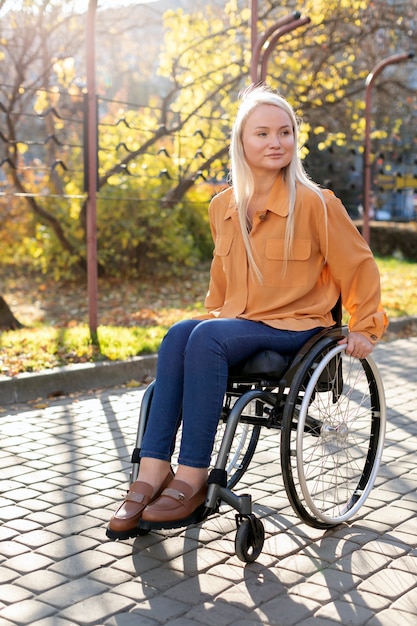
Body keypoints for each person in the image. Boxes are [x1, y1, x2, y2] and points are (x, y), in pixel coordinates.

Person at [107, 85, 388, 539]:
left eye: (285, 132)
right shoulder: (223, 206)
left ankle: (193, 476)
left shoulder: (316, 202)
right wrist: (215, 318)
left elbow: (358, 265)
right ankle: (152, 470)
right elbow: (222, 285)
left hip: (297, 326)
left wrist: (365, 327)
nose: (276, 142)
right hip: (241, 319)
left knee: (205, 338)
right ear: (241, 141)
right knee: (181, 334)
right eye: (263, 133)